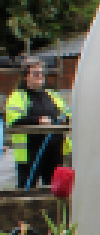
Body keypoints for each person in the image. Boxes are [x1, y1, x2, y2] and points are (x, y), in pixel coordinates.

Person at [5, 59, 71, 189]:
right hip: (30, 153)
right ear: (26, 76)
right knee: (27, 191)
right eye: (36, 73)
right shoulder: (18, 96)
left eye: (41, 73)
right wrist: (38, 120)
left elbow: (66, 115)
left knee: (54, 190)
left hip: (54, 152)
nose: (40, 76)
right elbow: (14, 120)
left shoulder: (52, 95)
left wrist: (64, 119)